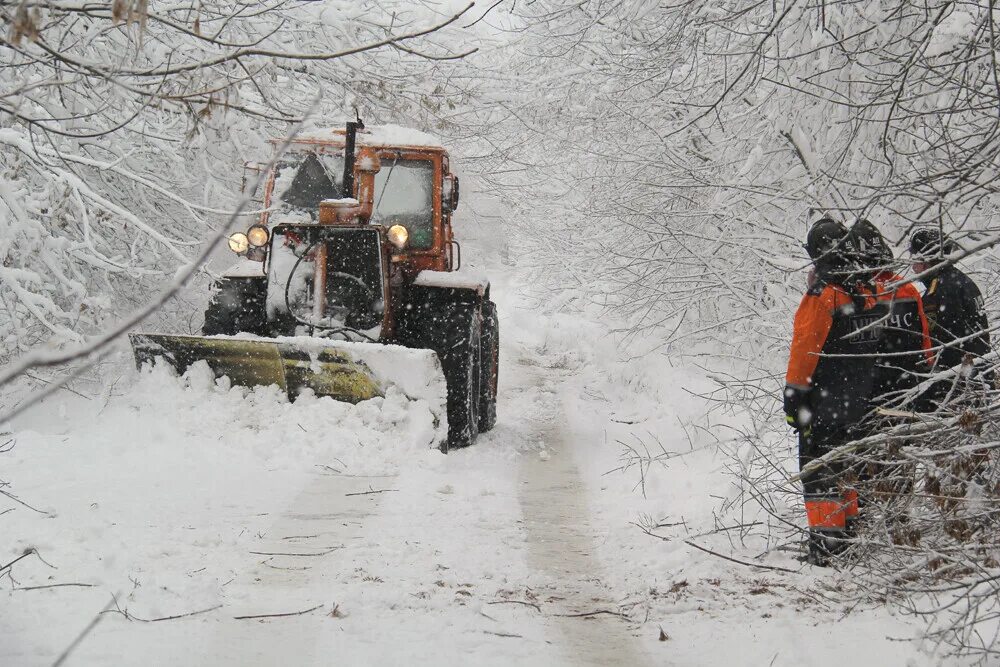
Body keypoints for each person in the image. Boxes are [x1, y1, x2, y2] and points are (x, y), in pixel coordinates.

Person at [784, 218, 882, 565]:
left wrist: (794, 396)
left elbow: (804, 349)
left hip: (824, 402)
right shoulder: (868, 293)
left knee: (820, 470)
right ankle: (850, 535)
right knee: (848, 467)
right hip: (860, 401)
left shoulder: (824, 295)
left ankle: (827, 548)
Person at [849, 220, 933, 407]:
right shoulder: (906, 288)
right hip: (910, 385)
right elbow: (925, 341)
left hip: (871, 392)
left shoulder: (856, 294)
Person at [910, 227, 992, 407]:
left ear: (926, 259)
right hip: (979, 374)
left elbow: (942, 342)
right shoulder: (961, 280)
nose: (912, 266)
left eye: (914, 258)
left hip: (960, 383)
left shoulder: (939, 291)